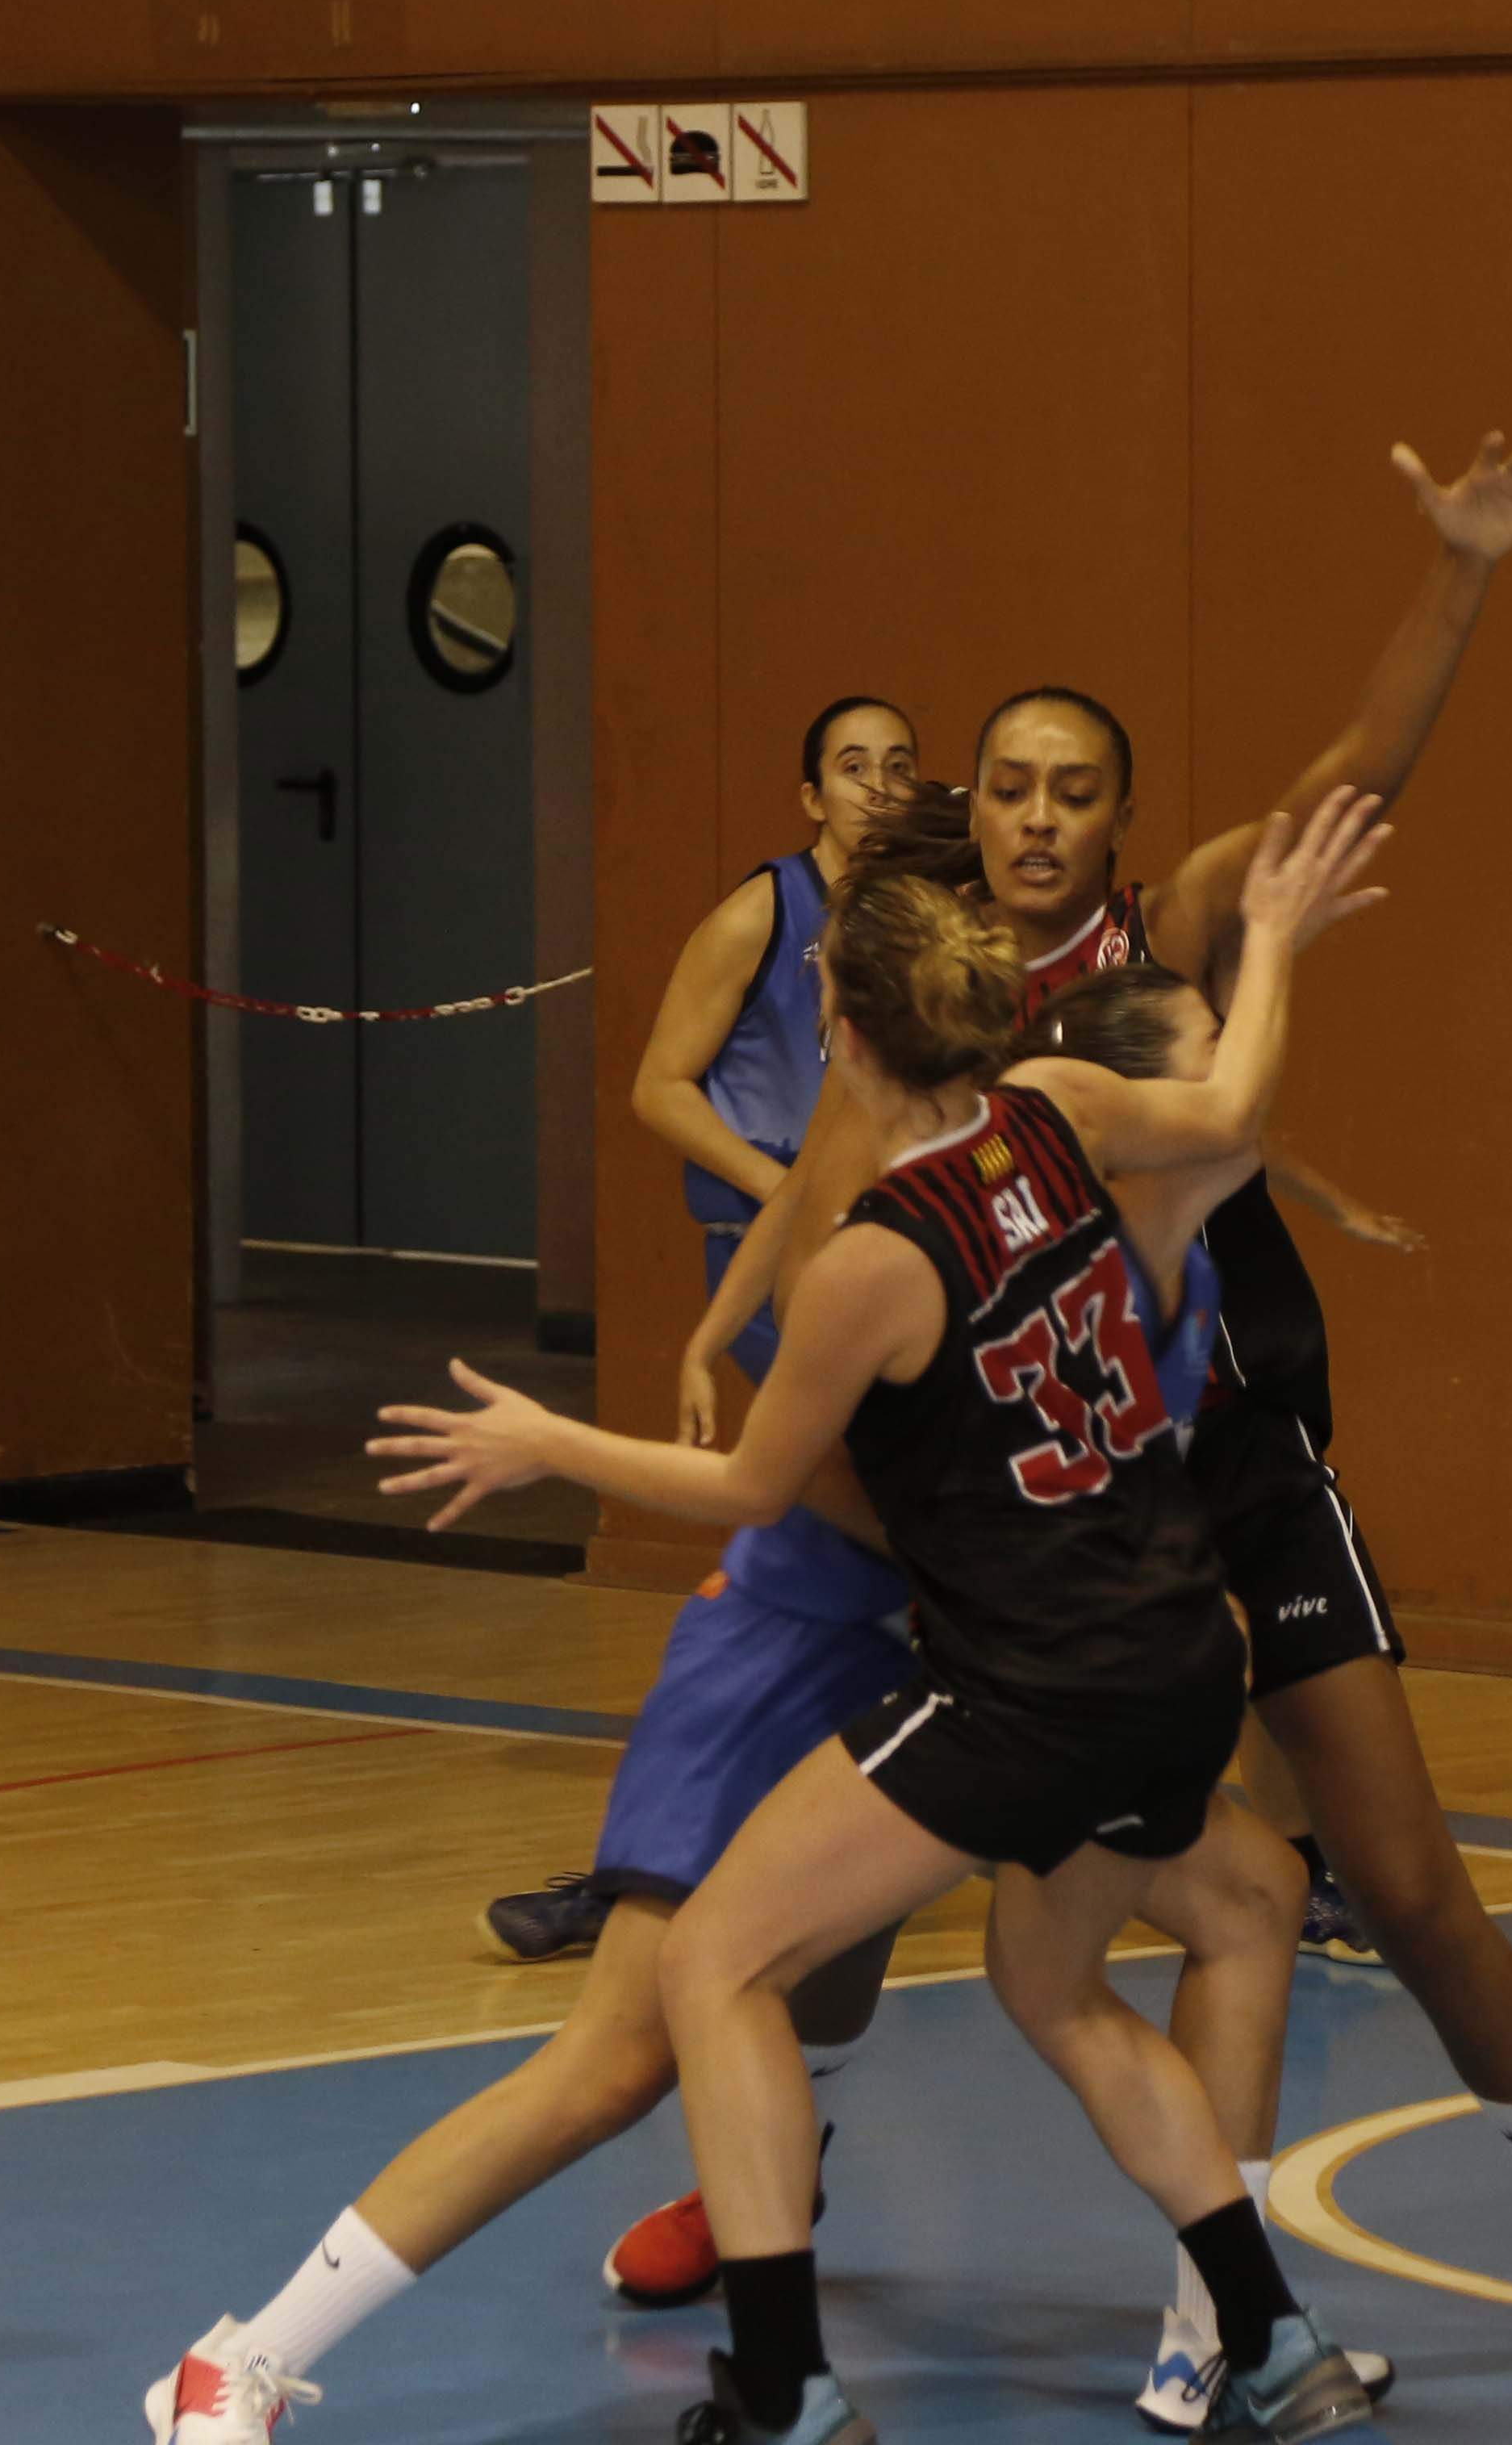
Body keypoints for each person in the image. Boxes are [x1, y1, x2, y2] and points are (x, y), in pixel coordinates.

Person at [678, 431, 1512, 2400]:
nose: (1041, 816)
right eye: (1010, 785)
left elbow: (1352, 783)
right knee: (839, 1900)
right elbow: (809, 1259)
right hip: (1032, 1528)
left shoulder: (1165, 952)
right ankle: (767, 2201)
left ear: (1120, 816)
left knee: (1399, 1883)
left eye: (1077, 789)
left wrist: (1460, 572)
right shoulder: (910, 1022)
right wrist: (753, 1399)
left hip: (1222, 1476)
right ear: (963, 809)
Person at [373, 796, 1395, 2445]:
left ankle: (783, 2390)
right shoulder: (1064, 1114)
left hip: (1033, 1691)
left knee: (718, 1961)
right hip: (1183, 1663)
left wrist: (546, 1442)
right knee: (1056, 1989)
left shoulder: (869, 1260)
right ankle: (1271, 2346)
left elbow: (757, 1487)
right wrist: (1273, 936)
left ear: (839, 1032)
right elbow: (1229, 1099)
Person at [486, 695, 922, 1970]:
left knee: (841, 1560)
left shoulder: (922, 940)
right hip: (779, 1264)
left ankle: (719, 1854)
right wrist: (780, 1183)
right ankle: (674, 1866)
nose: (879, 787)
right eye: (851, 767)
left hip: (870, 1261)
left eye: (900, 765)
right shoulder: (764, 912)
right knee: (808, 1542)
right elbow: (655, 1085)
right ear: (809, 797)